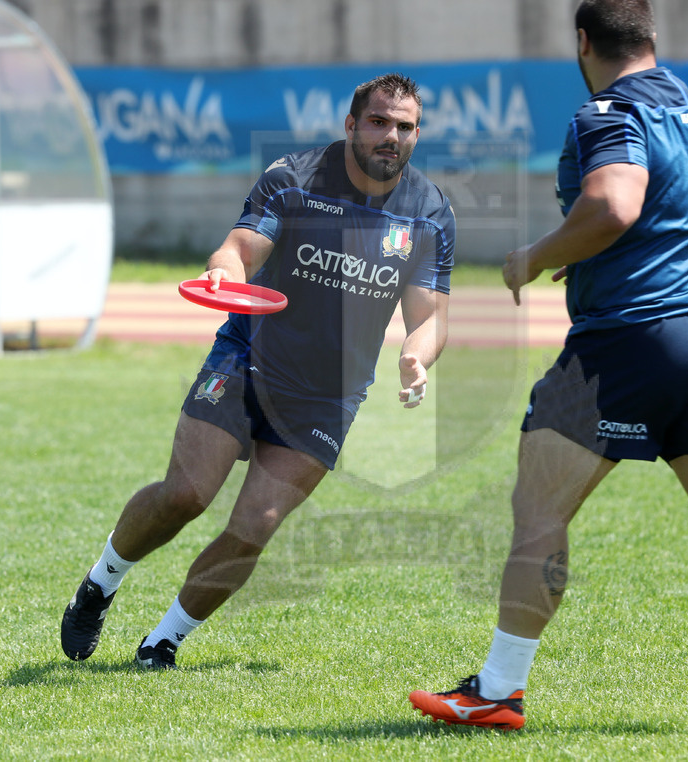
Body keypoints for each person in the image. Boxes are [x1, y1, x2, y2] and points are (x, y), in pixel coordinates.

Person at [409, 0, 688, 731]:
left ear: (583, 41)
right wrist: (609, 251)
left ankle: (497, 691)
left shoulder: (607, 113)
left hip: (628, 339)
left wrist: (535, 255)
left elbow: (614, 206)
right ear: (651, 37)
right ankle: (495, 689)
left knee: (540, 510)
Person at [61, 72, 455, 670]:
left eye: (404, 127)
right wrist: (225, 273)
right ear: (351, 125)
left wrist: (415, 357)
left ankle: (163, 642)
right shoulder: (294, 177)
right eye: (378, 122)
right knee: (185, 495)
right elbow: (241, 247)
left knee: (255, 526)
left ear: (417, 134)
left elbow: (430, 317)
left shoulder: (429, 212)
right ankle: (101, 582)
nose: (390, 137)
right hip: (247, 359)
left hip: (328, 394)